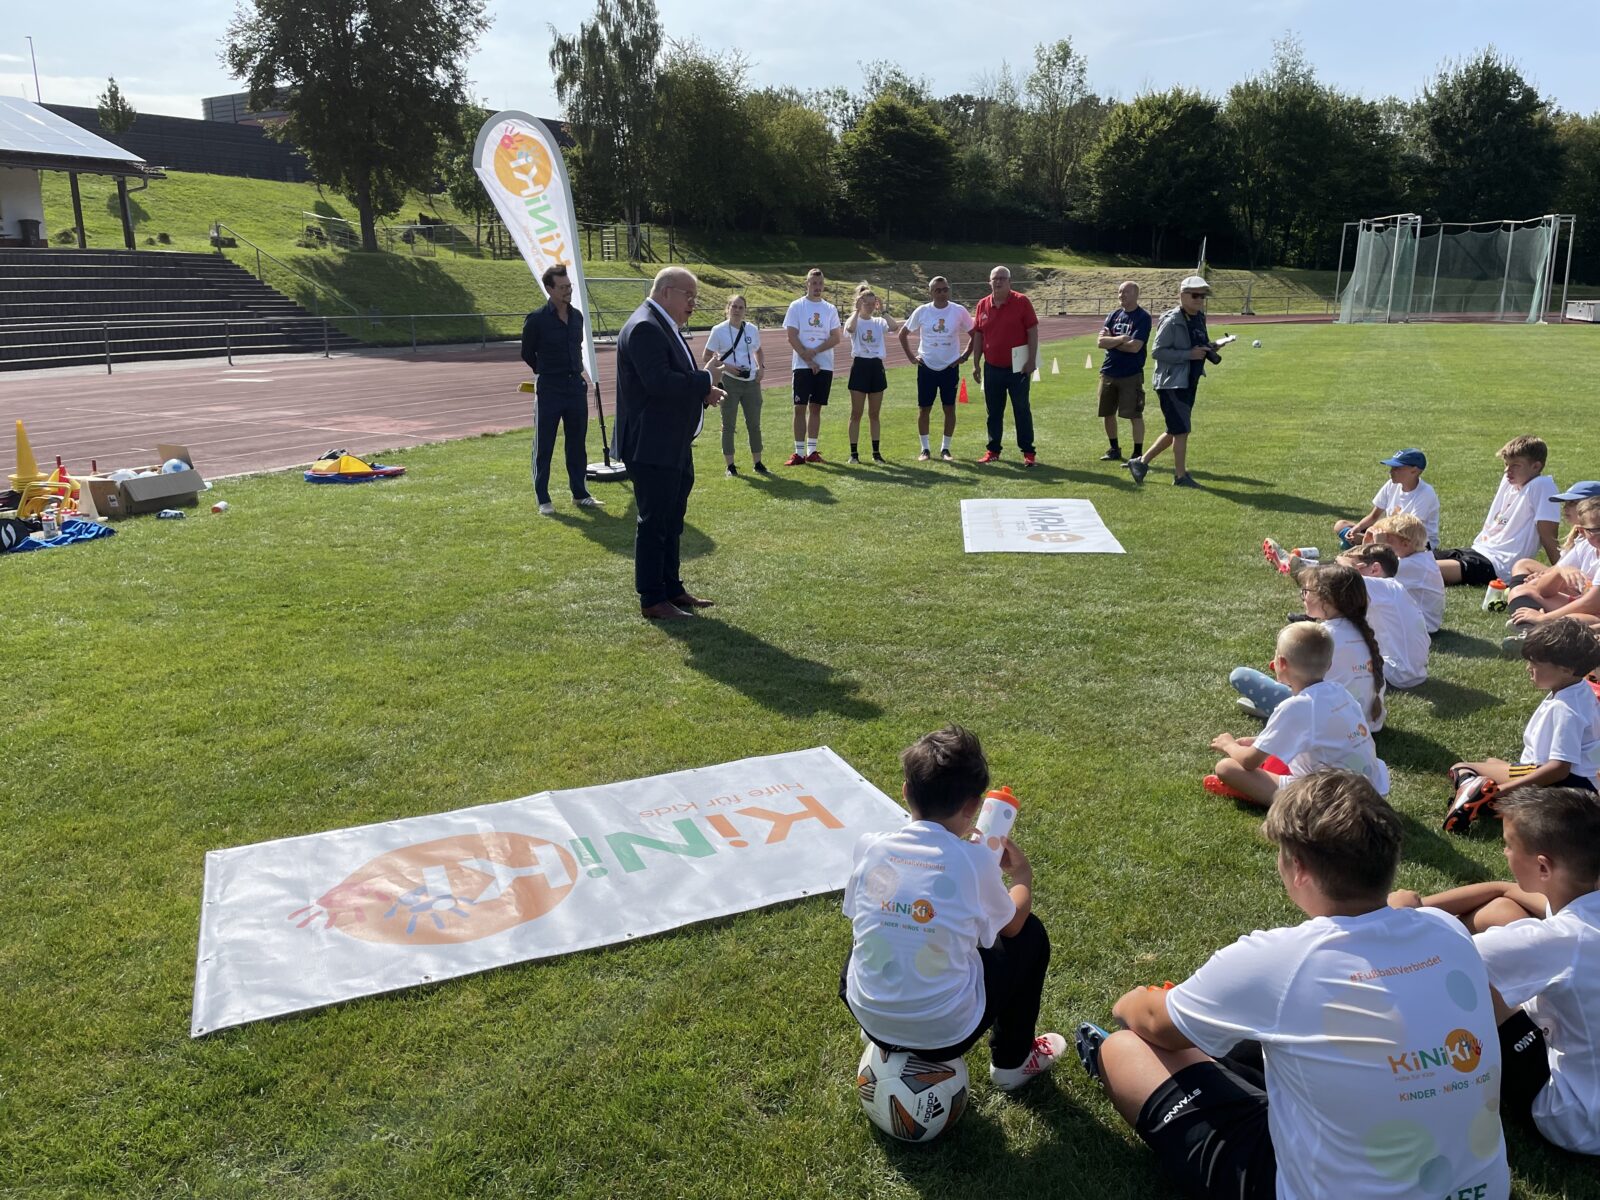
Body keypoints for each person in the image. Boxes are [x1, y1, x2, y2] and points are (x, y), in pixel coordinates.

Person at [1077, 770, 1509, 1200]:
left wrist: (1133, 1001)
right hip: (1483, 1191)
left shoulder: (1278, 960)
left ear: (1298, 868)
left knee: (1124, 1049)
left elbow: (1155, 1023)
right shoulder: (1447, 932)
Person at [839, 725, 1066, 1091]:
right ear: (973, 807)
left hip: (867, 1013)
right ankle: (1012, 1062)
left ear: (906, 791)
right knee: (1031, 934)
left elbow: (858, 915)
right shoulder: (974, 862)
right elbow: (1012, 926)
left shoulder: (871, 846)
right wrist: (1022, 876)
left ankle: (882, 1028)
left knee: (878, 924)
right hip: (946, 1035)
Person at [1390, 786, 1600, 1158]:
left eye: (1508, 845)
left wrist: (1402, 915)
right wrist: (1423, 908)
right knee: (1501, 912)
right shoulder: (1581, 908)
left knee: (1470, 980)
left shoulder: (1558, 941)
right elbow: (1505, 891)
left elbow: (1434, 962)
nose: (1503, 853)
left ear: (1543, 867)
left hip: (1578, 1119)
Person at [614, 267, 724, 621]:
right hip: (652, 444)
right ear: (666, 292)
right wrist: (704, 379)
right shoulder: (645, 327)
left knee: (672, 518)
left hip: (670, 441)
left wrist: (702, 390)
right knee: (655, 521)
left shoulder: (660, 324)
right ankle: (652, 598)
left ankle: (671, 588)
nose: (693, 303)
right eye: (688, 295)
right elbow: (658, 382)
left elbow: (669, 380)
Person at [1207, 623, 1390, 807]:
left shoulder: (1294, 707)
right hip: (1372, 792)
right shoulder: (1340, 692)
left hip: (1333, 802)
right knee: (1278, 758)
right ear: (1329, 665)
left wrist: (1228, 744)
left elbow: (1248, 761)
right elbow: (1322, 736)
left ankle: (1252, 792)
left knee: (1226, 767)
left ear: (1281, 663)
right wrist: (1257, 741)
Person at [1444, 617, 1600, 831]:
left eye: (1535, 664)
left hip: (1565, 784)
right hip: (1585, 785)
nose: (1528, 668)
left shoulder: (1566, 709)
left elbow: (1559, 769)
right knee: (1492, 762)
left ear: (1566, 669)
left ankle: (1486, 802)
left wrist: (1503, 791)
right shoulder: (1581, 690)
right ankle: (1492, 800)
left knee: (1462, 768)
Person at [1231, 563, 1386, 731]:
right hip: (1368, 722)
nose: (1303, 597)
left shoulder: (1320, 636)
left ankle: (1275, 709)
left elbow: (1293, 680)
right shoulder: (1365, 631)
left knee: (1240, 675)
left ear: (1326, 599)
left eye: (1306, 591)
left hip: (1327, 722)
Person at [520, 264, 602, 516]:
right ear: (550, 289)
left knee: (577, 443)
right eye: (563, 287)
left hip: (575, 387)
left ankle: (580, 493)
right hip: (550, 388)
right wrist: (546, 371)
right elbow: (527, 353)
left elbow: (577, 347)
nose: (568, 291)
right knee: (544, 443)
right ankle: (543, 498)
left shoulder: (577, 317)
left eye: (569, 286)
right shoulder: (536, 319)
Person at [1127, 276, 1220, 489]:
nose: (1200, 300)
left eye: (1203, 296)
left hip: (1188, 380)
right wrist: (1189, 354)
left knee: (1176, 428)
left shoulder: (1199, 317)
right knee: (1181, 430)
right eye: (1195, 295)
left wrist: (1210, 347)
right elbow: (1157, 352)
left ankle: (1140, 463)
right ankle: (1180, 476)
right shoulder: (1172, 321)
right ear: (1182, 296)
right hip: (1171, 383)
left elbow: (1198, 342)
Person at [1434, 435, 1561, 586]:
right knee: (1417, 558)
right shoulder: (1510, 482)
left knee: (1421, 569)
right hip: (1476, 550)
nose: (1507, 470)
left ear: (1536, 466)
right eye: (1506, 464)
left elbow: (1548, 536)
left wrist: (1562, 572)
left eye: (1515, 465)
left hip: (1497, 565)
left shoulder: (1543, 486)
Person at [970, 266, 1039, 467]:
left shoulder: (1022, 301)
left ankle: (1028, 452)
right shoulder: (983, 304)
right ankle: (993, 450)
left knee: (1021, 409)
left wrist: (1032, 360)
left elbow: (1032, 331)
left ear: (1010, 281)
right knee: (993, 411)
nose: (998, 282)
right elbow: (979, 335)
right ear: (989, 282)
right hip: (992, 367)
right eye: (995, 279)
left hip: (1018, 367)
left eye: (1002, 278)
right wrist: (976, 363)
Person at [898, 277, 972, 461]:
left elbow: (975, 334)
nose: (942, 293)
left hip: (949, 367)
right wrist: (911, 357)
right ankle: (925, 449)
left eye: (945, 289)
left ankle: (945, 449)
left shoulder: (958, 310)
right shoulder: (922, 311)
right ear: (930, 292)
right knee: (924, 409)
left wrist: (964, 356)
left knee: (949, 408)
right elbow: (903, 334)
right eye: (938, 290)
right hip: (927, 367)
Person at [1337, 543, 1431, 689]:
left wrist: (1341, 560)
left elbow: (1348, 578)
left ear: (1375, 569)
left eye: (1356, 567)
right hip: (1412, 671)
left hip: (1396, 672)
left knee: (1325, 660)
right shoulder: (1390, 590)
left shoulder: (1385, 587)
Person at [1505, 492, 1600, 633]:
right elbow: (1543, 590)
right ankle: (1532, 627)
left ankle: (1536, 630)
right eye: (1596, 530)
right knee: (1521, 590)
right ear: (1582, 531)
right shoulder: (1585, 547)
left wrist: (1544, 618)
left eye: (1573, 503)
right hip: (1589, 607)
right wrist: (1559, 572)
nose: (1566, 508)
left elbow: (1591, 603)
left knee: (1574, 620)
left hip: (1594, 613)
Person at [701, 295, 767, 479]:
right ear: (727, 308)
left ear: (745, 310)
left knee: (754, 424)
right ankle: (730, 466)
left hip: (751, 381)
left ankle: (758, 463)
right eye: (734, 307)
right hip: (729, 381)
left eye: (741, 307)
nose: (737, 310)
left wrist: (761, 367)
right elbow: (706, 357)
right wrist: (727, 366)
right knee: (728, 425)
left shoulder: (752, 329)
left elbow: (758, 350)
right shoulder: (718, 330)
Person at [782, 268, 842, 465]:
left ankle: (812, 451)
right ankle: (799, 453)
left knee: (816, 408)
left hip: (824, 365)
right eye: (814, 283)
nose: (817, 287)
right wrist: (807, 359)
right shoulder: (796, 306)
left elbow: (836, 337)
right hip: (801, 365)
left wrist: (814, 352)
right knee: (799, 407)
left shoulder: (830, 309)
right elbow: (791, 336)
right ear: (807, 284)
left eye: (820, 283)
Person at [1334, 448, 1440, 550]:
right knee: (1341, 525)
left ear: (1414, 470)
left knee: (1379, 539)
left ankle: (1363, 543)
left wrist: (1374, 535)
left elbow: (1411, 530)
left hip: (1415, 542)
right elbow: (1374, 516)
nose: (1391, 472)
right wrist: (1356, 529)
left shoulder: (1426, 492)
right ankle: (1363, 543)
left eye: (1397, 468)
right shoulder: (1391, 485)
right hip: (1390, 534)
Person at [1095, 281, 1150, 463]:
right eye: (1119, 292)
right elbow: (1100, 342)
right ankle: (1114, 449)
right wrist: (1121, 339)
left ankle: (1137, 454)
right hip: (1109, 371)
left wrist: (1112, 342)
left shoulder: (1142, 317)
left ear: (1136, 294)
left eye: (1125, 292)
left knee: (1134, 414)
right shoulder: (1113, 315)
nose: (1121, 295)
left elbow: (1135, 347)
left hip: (1131, 373)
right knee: (1107, 412)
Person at [843, 287, 895, 464]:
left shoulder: (879, 321)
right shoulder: (855, 320)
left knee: (874, 414)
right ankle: (854, 454)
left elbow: (894, 327)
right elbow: (850, 329)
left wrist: (884, 310)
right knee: (856, 413)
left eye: (874, 304)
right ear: (860, 303)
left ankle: (876, 453)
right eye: (867, 304)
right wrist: (856, 310)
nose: (871, 307)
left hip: (876, 366)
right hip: (860, 366)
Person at [1371, 513, 1446, 633]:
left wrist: (1376, 546)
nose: (1384, 546)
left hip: (1420, 625)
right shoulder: (1419, 558)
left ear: (1405, 544)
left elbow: (1372, 577)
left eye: (1387, 541)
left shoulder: (1413, 565)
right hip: (1418, 620)